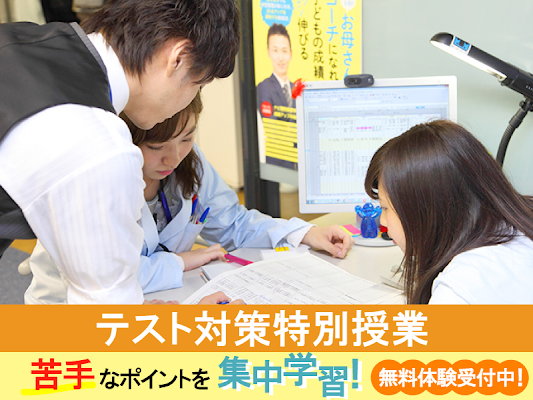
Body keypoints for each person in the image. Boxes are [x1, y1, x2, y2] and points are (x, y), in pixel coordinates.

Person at [0, 0, 240, 304]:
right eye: (198, 84)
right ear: (178, 58)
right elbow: (107, 314)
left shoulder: (24, 40)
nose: (191, 98)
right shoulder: (97, 144)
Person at [24, 93, 355, 303]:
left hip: (167, 297)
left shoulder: (189, 163)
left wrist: (303, 233)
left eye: (186, 138)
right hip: (74, 318)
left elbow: (233, 223)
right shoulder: (94, 183)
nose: (174, 157)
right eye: (156, 147)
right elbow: (105, 277)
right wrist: (180, 261)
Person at [364, 120, 533, 304]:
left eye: (385, 208)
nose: (383, 221)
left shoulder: (458, 291)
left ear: (424, 209)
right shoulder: (519, 222)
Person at [256, 23, 294, 121]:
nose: (280, 58)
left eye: (284, 51)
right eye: (275, 50)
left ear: (291, 54)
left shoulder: (296, 89)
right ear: (269, 52)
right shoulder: (264, 88)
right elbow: (270, 123)